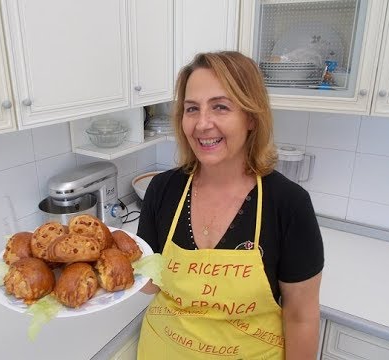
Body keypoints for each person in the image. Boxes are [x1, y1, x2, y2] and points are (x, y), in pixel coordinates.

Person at [136, 51, 324, 359]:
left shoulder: (289, 205)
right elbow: (149, 286)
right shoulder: (162, 190)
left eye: (220, 107)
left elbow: (301, 317)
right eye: (191, 109)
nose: (202, 124)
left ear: (251, 117)